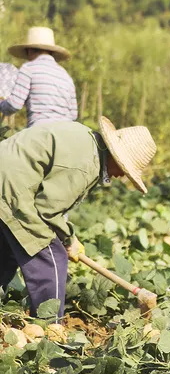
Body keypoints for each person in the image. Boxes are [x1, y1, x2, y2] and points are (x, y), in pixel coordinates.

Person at [0, 116, 157, 319]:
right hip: (12, 190)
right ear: (116, 157)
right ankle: (50, 325)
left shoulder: (86, 141)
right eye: (125, 169)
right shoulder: (85, 166)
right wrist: (68, 239)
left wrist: (67, 235)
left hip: (8, 183)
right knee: (51, 256)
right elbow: (47, 210)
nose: (122, 176)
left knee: (9, 247)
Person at [0, 27, 78, 126]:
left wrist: (1, 103)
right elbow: (73, 114)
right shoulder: (66, 76)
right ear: (51, 52)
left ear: (29, 51)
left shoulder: (28, 68)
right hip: (66, 129)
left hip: (40, 129)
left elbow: (14, 104)